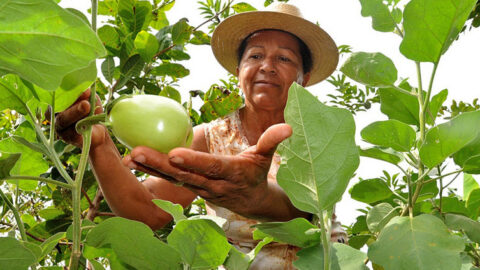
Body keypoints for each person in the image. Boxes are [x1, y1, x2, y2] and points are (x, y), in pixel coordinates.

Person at [56, 3, 346, 269]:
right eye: (255, 55)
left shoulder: (319, 133)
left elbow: (305, 207)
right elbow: (148, 211)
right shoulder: (208, 139)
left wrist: (257, 196)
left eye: (284, 58)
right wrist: (99, 145)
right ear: (238, 71)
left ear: (303, 78)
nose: (267, 66)